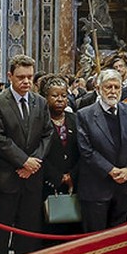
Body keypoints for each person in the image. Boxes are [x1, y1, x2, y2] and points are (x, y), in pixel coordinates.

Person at [0, 54, 53, 254]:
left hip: (32, 179)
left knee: (28, 234)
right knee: (2, 235)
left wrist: (33, 163)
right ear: (10, 76)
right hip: (7, 178)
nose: (26, 82)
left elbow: (47, 134)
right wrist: (23, 161)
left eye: (29, 77)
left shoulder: (40, 102)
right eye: (21, 77)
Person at [75, 69, 127, 231]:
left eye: (116, 87)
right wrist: (111, 170)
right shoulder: (85, 115)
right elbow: (86, 150)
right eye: (108, 87)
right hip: (96, 187)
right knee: (95, 240)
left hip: (123, 187)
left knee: (118, 240)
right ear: (98, 88)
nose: (113, 91)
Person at [38, 75, 81, 237]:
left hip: (73, 186)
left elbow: (83, 152)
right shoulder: (40, 121)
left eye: (63, 95)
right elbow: (38, 153)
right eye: (55, 96)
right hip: (47, 185)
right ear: (46, 97)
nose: (60, 99)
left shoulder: (75, 120)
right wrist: (57, 177)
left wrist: (72, 176)